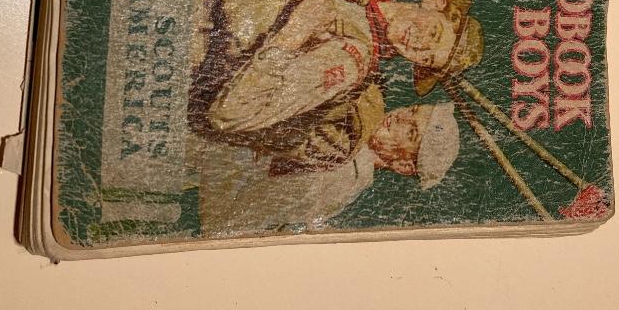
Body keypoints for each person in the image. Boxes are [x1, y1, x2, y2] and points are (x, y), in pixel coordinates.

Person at [197, 0, 483, 172]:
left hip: (194, 32)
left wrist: (293, 35)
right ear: (435, 4)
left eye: (426, 57)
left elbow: (230, 113)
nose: (418, 44)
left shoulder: (352, 59)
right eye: (433, 33)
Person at [195, 101, 461, 237]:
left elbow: (243, 204)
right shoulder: (353, 139)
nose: (400, 116)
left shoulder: (345, 175)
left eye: (411, 131)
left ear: (403, 166)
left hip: (206, 176)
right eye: (413, 110)